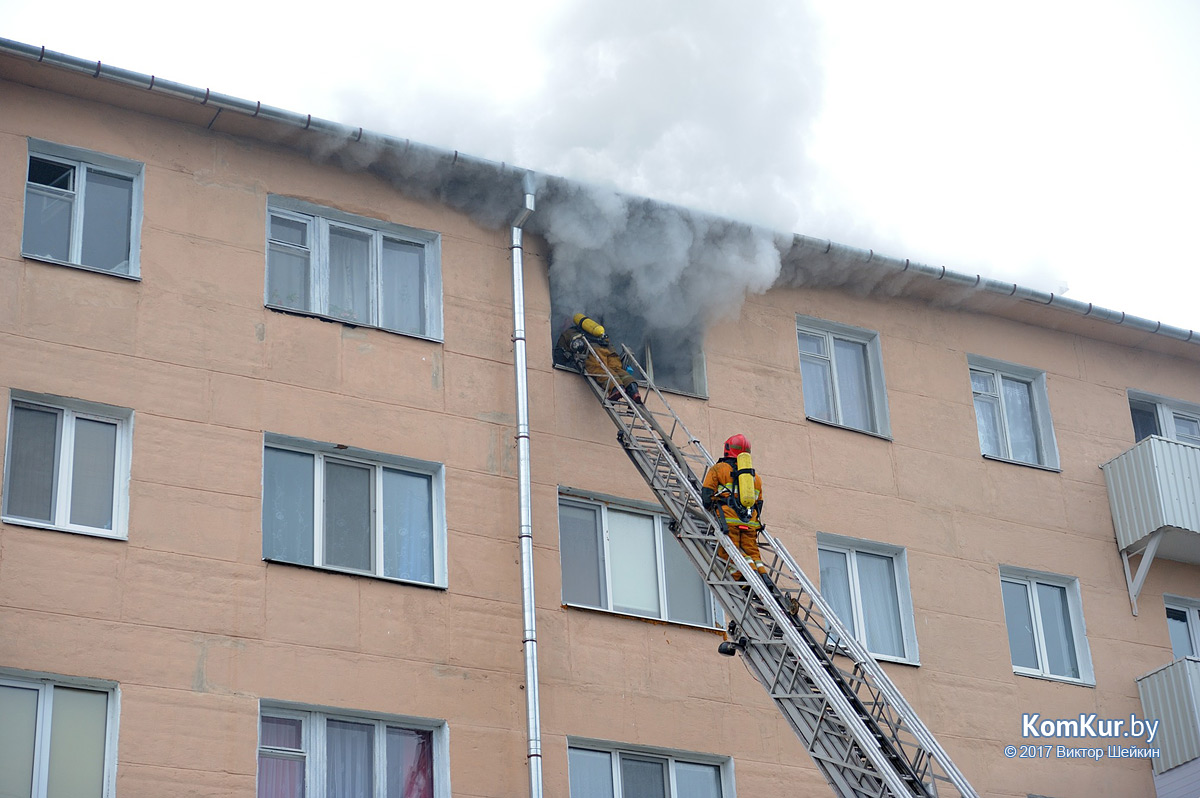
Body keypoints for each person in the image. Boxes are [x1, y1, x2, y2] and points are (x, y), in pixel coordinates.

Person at [701, 433, 770, 584]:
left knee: (729, 552)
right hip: (750, 522)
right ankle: (764, 577)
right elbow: (759, 504)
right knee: (753, 552)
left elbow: (706, 495)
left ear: (728, 449)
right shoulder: (755, 477)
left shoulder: (719, 469)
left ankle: (745, 580)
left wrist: (711, 508)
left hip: (729, 519)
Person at [556, 313, 642, 403]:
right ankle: (634, 391)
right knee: (617, 369)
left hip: (593, 350)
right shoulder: (593, 330)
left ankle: (615, 389)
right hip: (609, 349)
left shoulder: (567, 333)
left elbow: (560, 354)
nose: (562, 325)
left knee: (598, 369)